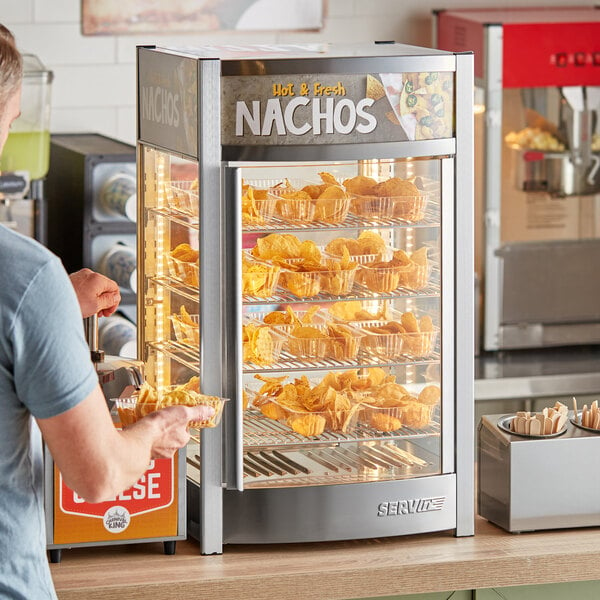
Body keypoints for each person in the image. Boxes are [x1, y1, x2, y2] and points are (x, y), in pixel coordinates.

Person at [0, 25, 214, 599]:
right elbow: (99, 478)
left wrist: (48, 309)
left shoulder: (29, 287)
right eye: (13, 119)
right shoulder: (24, 276)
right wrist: (156, 429)